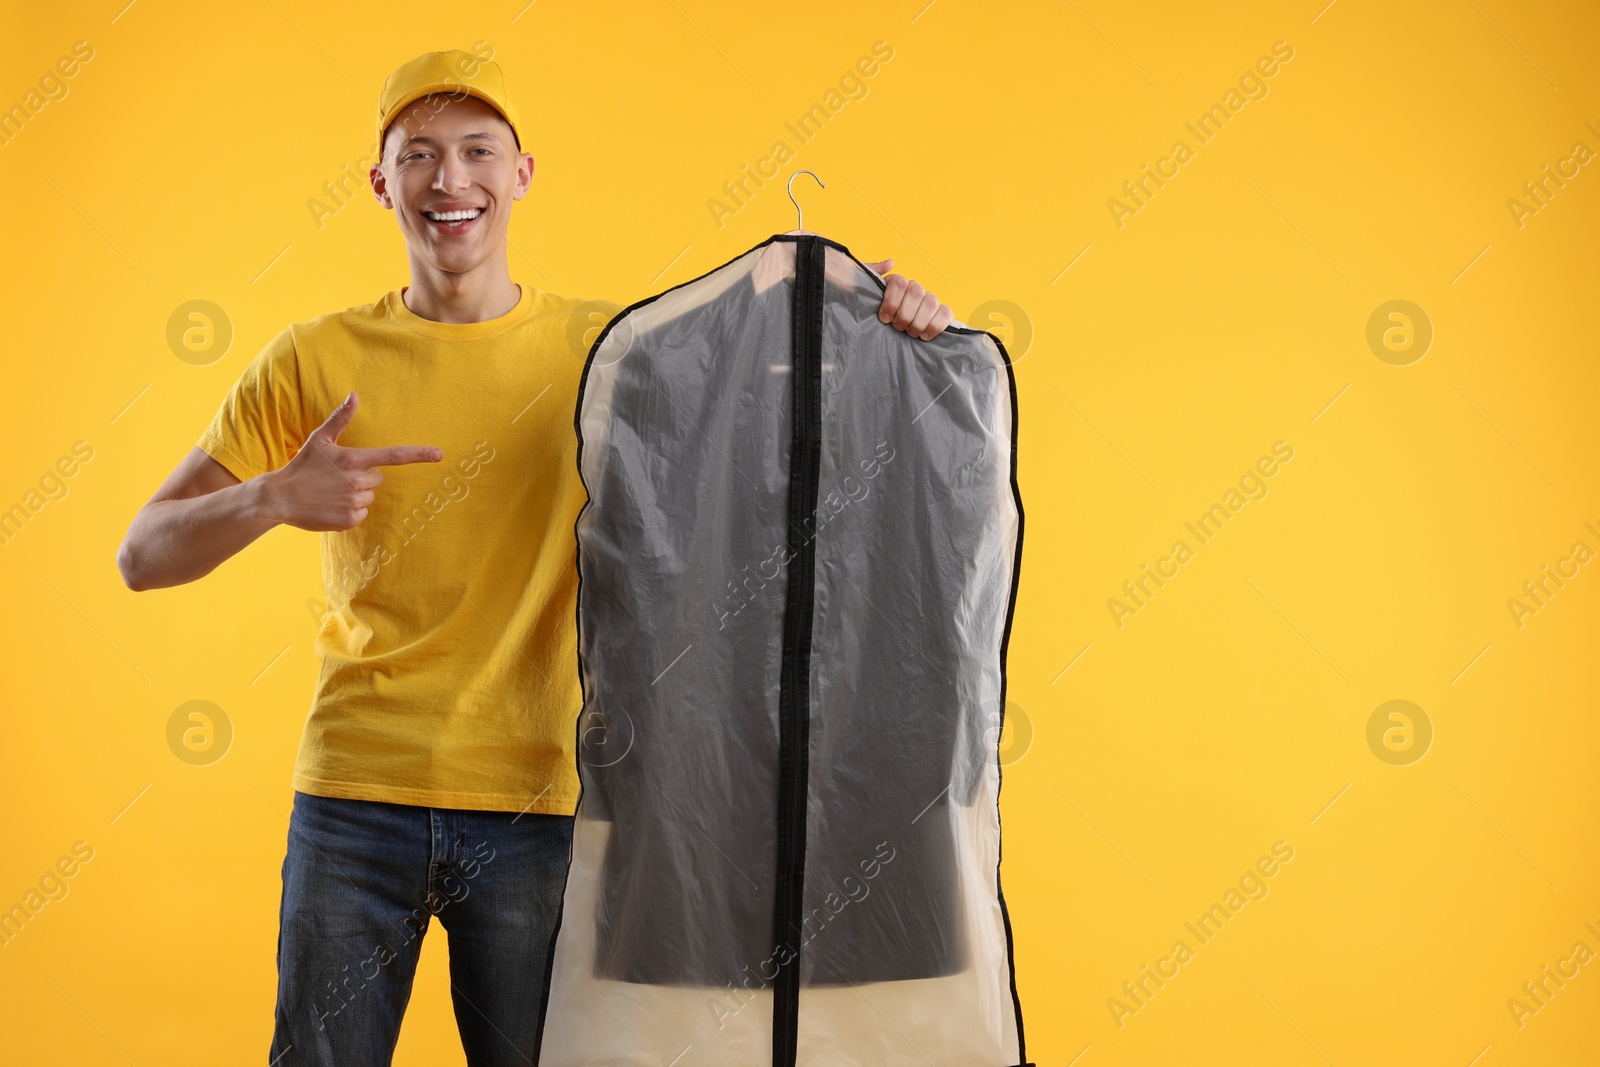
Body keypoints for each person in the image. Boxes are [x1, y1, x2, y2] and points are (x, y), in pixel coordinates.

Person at [115, 49, 958, 1067]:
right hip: (351, 799)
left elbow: (781, 417)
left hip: (539, 807)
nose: (449, 178)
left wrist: (888, 322)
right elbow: (141, 555)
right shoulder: (311, 359)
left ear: (522, 173)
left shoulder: (608, 351)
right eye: (418, 155)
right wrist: (272, 494)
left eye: (478, 150)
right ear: (382, 184)